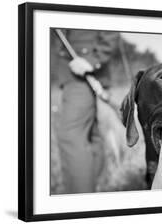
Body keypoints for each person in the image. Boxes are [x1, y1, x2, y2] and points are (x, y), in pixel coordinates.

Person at [52, 29, 120, 194]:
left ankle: (79, 200)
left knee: (70, 137)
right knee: (91, 135)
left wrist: (93, 60)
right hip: (75, 72)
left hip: (81, 71)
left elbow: (110, 22)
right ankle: (95, 189)